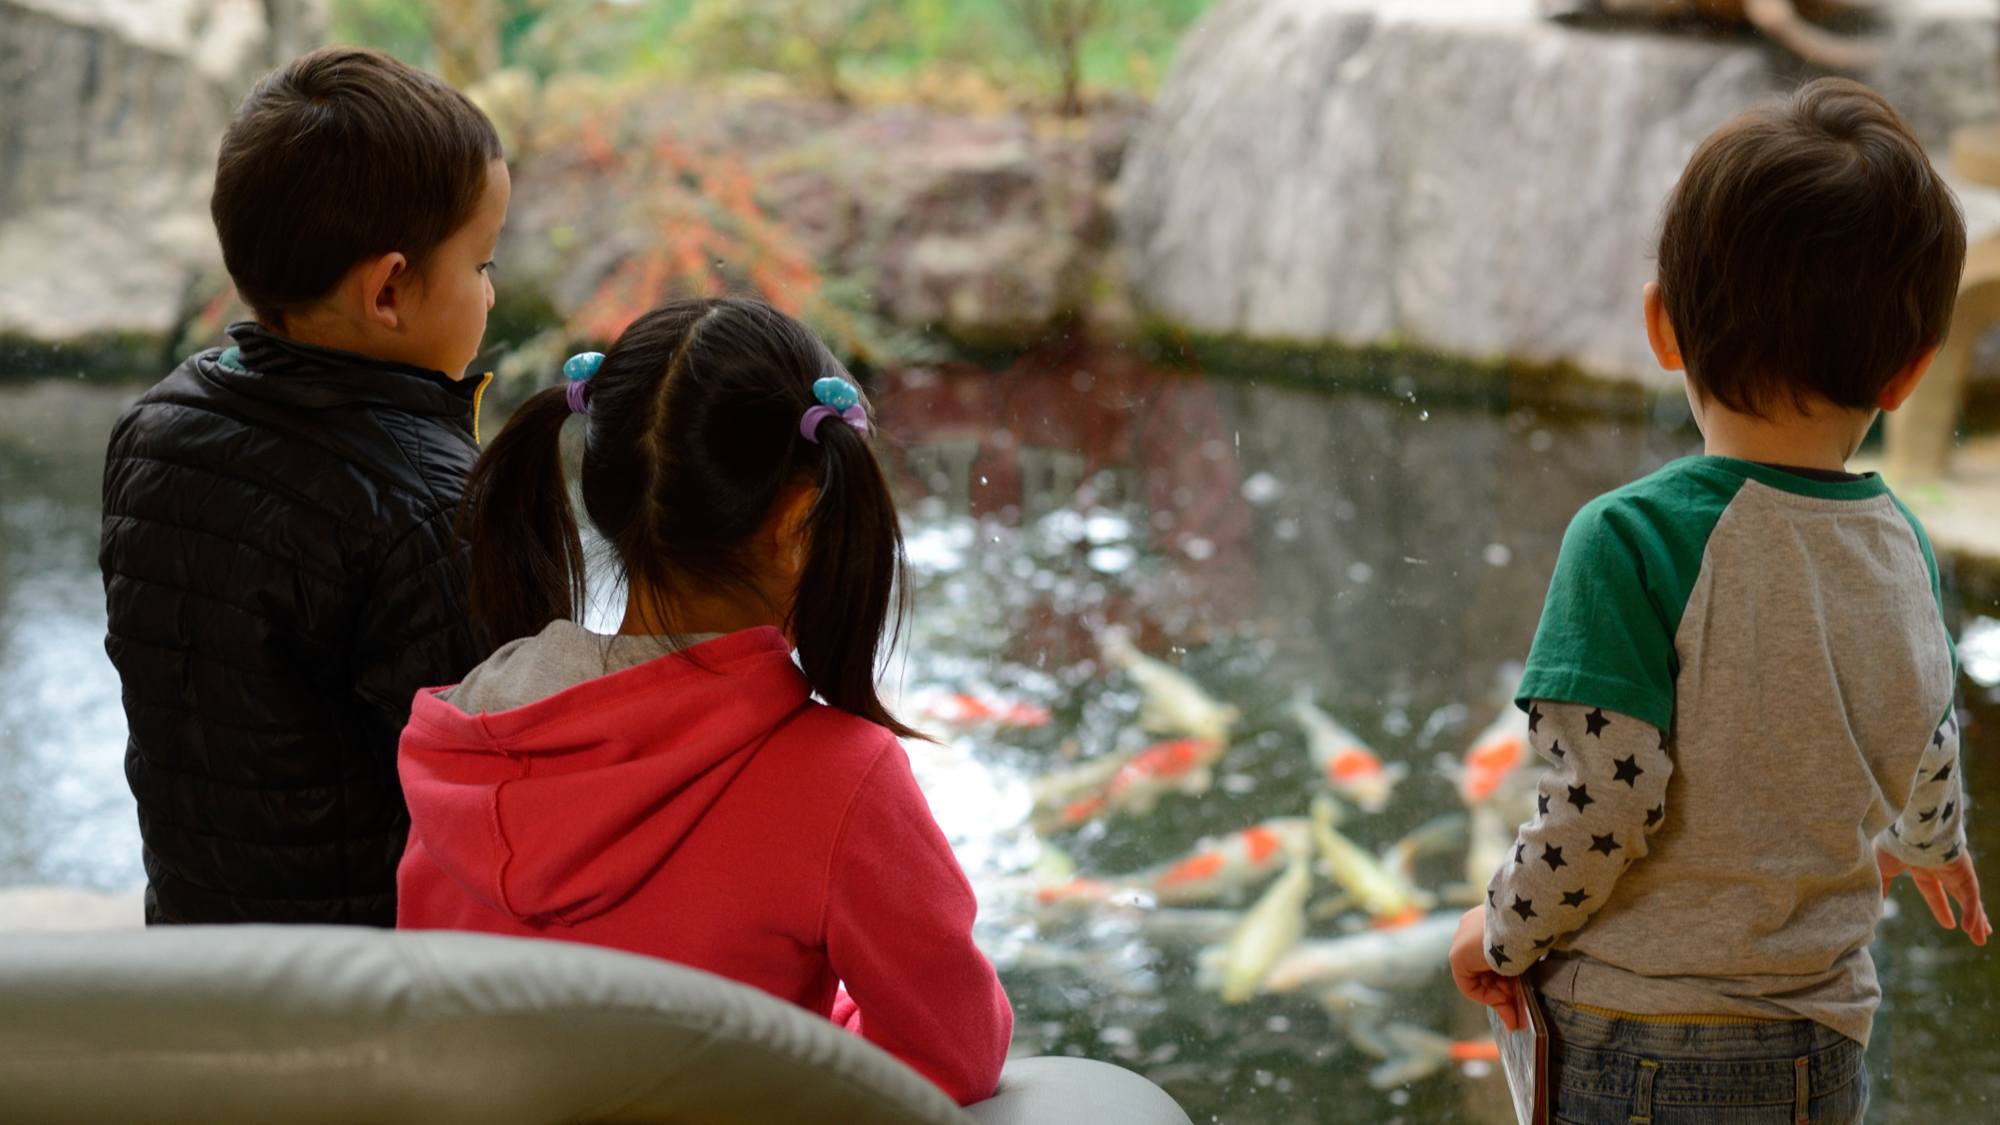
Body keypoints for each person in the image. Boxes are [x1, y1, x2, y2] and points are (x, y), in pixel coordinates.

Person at [1449, 78, 1990, 1124]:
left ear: (1662, 325)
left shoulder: (1631, 538)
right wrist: (1935, 844)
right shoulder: (1900, 545)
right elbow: (1925, 730)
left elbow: (1603, 801)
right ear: (1909, 372)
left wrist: (1497, 930)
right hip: (1817, 1043)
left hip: (1634, 1041)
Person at [394, 298, 1012, 1105]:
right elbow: (955, 1052)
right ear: (797, 523)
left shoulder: (468, 732)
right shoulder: (839, 780)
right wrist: (814, 1041)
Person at [99, 46, 507, 925]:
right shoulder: (436, 509)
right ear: (389, 290)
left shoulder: (154, 429)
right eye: (482, 262)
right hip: (362, 996)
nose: (493, 293)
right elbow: (503, 809)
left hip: (200, 952)